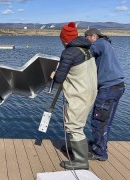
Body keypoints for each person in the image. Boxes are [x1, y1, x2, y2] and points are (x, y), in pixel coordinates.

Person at [50, 22, 97, 170]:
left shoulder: (69, 52)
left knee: (74, 126)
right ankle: (73, 148)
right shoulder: (87, 49)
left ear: (64, 40)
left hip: (79, 94)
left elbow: (59, 79)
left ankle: (81, 161)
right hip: (89, 92)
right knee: (75, 122)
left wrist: (54, 74)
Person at [85, 28, 125, 161]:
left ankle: (100, 153)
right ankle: (99, 145)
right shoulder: (107, 44)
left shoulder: (99, 44)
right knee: (105, 120)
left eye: (87, 38)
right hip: (117, 86)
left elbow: (86, 53)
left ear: (94, 36)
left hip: (108, 88)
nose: (87, 41)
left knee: (99, 120)